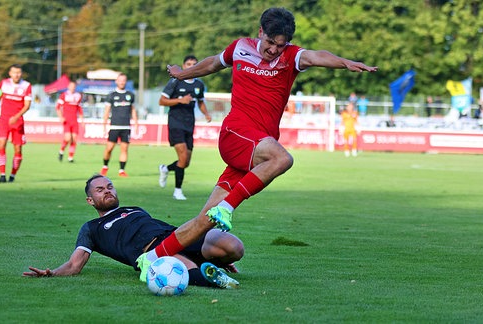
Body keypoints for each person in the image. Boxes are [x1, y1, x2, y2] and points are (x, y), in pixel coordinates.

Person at [134, 7, 377, 277]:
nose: (273, 50)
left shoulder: (292, 56)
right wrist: (181, 74)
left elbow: (317, 56)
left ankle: (151, 257)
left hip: (256, 146)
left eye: (279, 45)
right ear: (260, 31)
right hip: (236, 134)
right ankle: (226, 209)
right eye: (270, 42)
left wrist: (345, 62)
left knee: (205, 221)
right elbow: (213, 63)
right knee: (282, 159)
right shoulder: (240, 48)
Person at [22, 174, 242, 289]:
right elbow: (74, 265)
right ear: (90, 200)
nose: (107, 191)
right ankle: (211, 278)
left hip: (179, 235)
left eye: (109, 187)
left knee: (234, 248)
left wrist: (223, 256)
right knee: (185, 268)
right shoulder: (91, 228)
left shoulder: (134, 209)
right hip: (153, 252)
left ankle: (215, 264)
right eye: (100, 190)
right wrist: (52, 273)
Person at [158, 55, 212, 200]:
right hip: (175, 123)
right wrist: (180, 100)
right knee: (182, 158)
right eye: (188, 64)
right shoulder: (175, 82)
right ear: (183, 66)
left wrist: (206, 113)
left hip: (189, 124)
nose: (191, 66)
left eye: (194, 64)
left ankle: (165, 168)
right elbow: (162, 101)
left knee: (185, 162)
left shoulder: (199, 85)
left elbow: (200, 102)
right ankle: (177, 191)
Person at [0, 64, 32, 183]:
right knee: (1, 144)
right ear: (10, 73)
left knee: (18, 149)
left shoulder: (26, 86)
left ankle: (12, 175)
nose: (16, 75)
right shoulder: (3, 83)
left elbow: (27, 106)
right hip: (4, 120)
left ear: (21, 74)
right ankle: (2, 175)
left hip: (18, 122)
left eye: (18, 72)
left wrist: (16, 117)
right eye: (14, 72)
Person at [100, 73, 138, 177]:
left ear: (126, 81)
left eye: (123, 80)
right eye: (120, 80)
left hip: (126, 126)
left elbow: (133, 110)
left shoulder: (130, 95)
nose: (122, 82)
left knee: (124, 149)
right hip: (114, 126)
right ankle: (105, 166)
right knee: (109, 148)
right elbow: (107, 111)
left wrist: (136, 123)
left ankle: (121, 170)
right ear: (116, 81)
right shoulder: (111, 95)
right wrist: (104, 125)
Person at [56, 81, 84, 163]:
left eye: (74, 86)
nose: (72, 88)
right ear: (68, 87)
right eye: (71, 86)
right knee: (68, 138)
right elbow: (58, 107)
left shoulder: (78, 96)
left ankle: (70, 157)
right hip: (67, 120)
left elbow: (80, 109)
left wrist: (82, 120)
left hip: (74, 121)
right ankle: (61, 151)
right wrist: (61, 117)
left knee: (74, 139)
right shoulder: (64, 95)